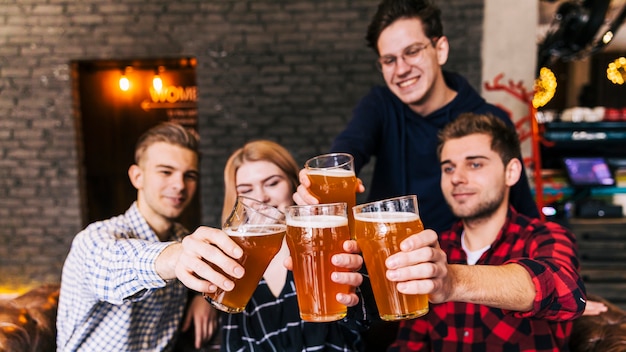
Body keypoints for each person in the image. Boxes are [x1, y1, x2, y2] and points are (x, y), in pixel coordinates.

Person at [292, 0, 540, 349]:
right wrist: (318, 184)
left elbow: (523, 206)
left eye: (412, 52)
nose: (402, 68)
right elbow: (349, 149)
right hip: (385, 281)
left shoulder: (484, 119)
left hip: (455, 282)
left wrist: (554, 287)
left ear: (440, 48)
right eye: (389, 60)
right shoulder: (380, 105)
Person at [332, 112, 585, 350]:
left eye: (475, 165)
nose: (456, 178)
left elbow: (568, 292)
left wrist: (453, 281)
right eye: (449, 168)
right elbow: (411, 344)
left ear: (511, 172)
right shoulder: (436, 249)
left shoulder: (544, 235)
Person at [56, 122, 218, 351]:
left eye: (189, 175)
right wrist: (174, 258)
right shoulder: (95, 238)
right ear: (137, 176)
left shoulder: (182, 238)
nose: (180, 185)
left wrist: (204, 298)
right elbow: (111, 265)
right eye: (166, 172)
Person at [219, 140, 366, 351]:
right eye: (246, 190)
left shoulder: (327, 245)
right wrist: (197, 299)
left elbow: (361, 323)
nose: (261, 197)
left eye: (272, 183)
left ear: (293, 185)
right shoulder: (232, 263)